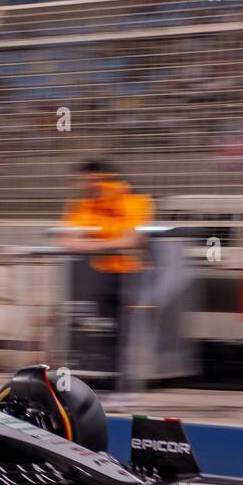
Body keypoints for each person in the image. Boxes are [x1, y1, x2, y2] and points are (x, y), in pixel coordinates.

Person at [59, 159, 154, 383]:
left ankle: (127, 386)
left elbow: (132, 240)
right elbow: (66, 239)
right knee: (106, 333)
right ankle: (110, 385)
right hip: (103, 273)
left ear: (97, 179)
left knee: (125, 333)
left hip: (133, 274)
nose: (77, 186)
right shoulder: (85, 205)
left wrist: (91, 244)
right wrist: (111, 242)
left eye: (81, 181)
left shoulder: (136, 201)